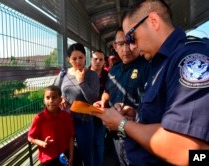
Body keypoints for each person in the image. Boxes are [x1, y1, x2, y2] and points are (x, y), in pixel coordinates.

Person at [94, 0, 209, 165]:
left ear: (153, 21)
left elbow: (190, 152)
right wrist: (137, 115)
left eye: (131, 37)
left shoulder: (189, 60)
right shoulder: (161, 62)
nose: (131, 46)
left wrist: (122, 124)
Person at [94, 27, 149, 166]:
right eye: (121, 44)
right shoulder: (114, 69)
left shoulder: (148, 66)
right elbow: (107, 90)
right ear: (115, 46)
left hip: (138, 135)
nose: (126, 49)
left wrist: (135, 112)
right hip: (115, 134)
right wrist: (102, 102)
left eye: (130, 42)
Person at [54, 43, 100, 166]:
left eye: (80, 57)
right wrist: (60, 98)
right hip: (65, 121)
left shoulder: (92, 75)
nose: (78, 61)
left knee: (87, 156)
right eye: (74, 58)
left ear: (85, 57)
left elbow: (93, 98)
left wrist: (81, 82)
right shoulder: (63, 74)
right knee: (67, 157)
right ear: (68, 59)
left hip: (84, 122)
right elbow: (54, 92)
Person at [27, 85, 74, 166]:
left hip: (64, 156)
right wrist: (42, 143)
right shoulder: (39, 118)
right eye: (47, 98)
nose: (51, 100)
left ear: (60, 99)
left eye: (54, 97)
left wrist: (71, 157)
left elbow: (71, 137)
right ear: (44, 100)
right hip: (47, 159)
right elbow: (30, 137)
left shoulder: (66, 117)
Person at [89, 50, 108, 166]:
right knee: (87, 145)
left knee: (99, 143)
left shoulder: (108, 76)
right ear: (90, 60)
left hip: (101, 115)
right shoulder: (83, 74)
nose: (98, 62)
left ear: (104, 62)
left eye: (101, 59)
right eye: (95, 59)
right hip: (85, 115)